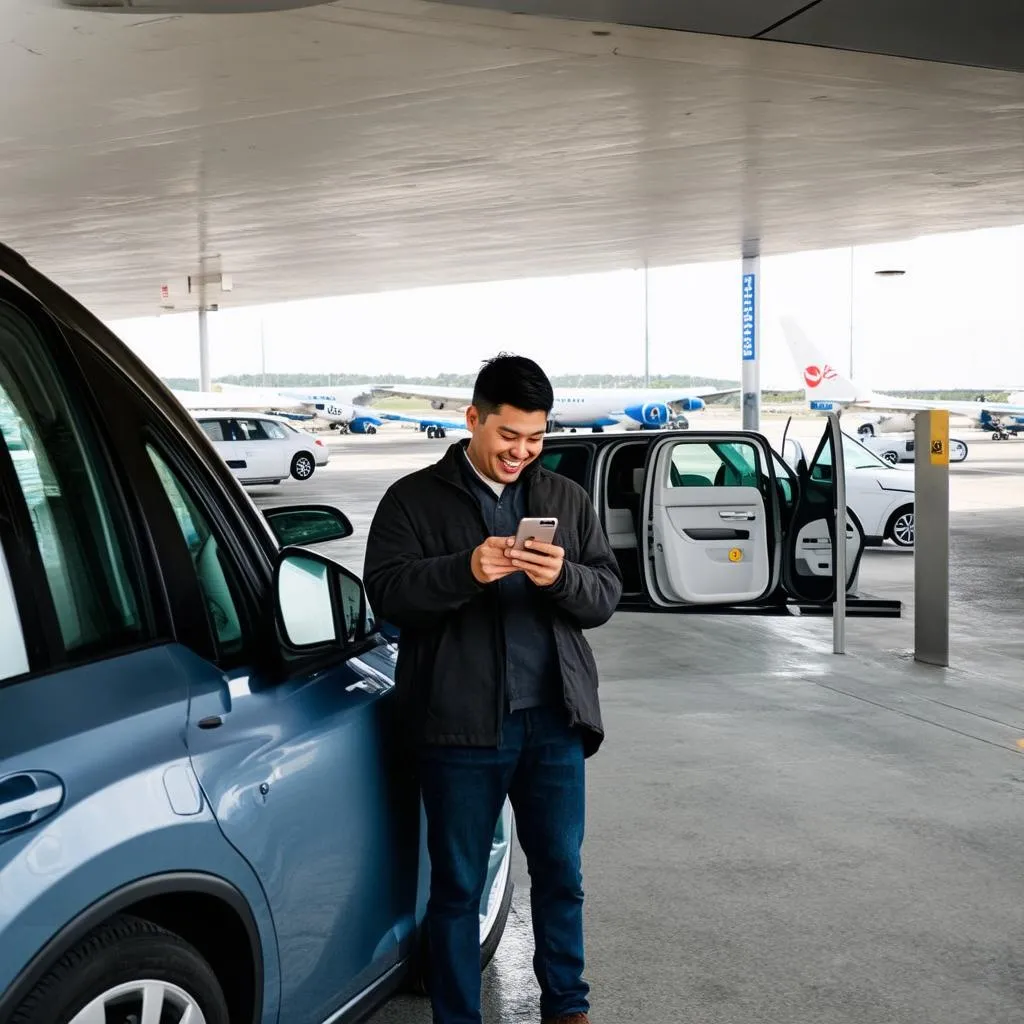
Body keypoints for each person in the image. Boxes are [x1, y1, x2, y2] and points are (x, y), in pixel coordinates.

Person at [363, 354, 622, 1024]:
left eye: (535, 439)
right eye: (510, 436)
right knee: (457, 889)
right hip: (459, 728)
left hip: (553, 721)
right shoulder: (412, 500)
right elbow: (387, 595)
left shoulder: (563, 497)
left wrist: (561, 576)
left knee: (561, 876)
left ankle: (568, 1007)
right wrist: (465, 568)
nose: (522, 452)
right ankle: (457, 1017)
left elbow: (604, 595)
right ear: (473, 418)